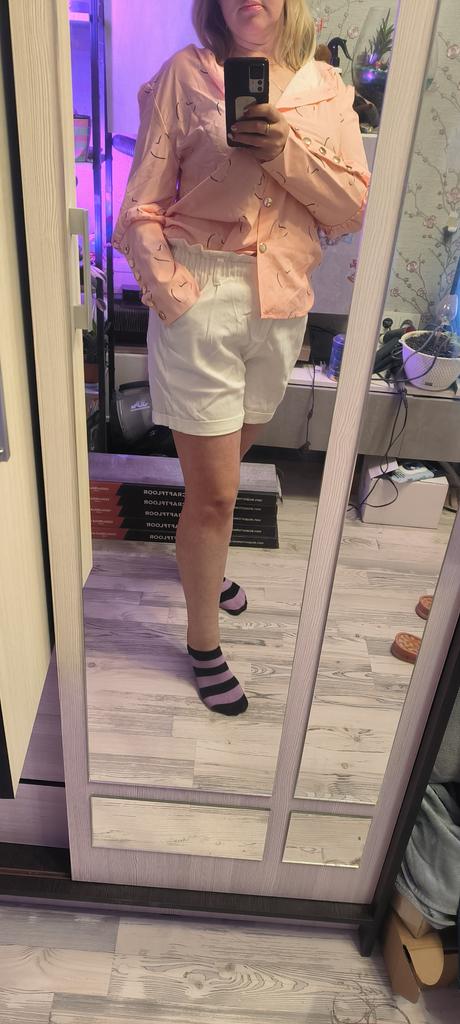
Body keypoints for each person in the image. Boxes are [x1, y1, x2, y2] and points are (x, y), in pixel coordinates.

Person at [113, 0, 371, 717]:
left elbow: (350, 210)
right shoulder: (186, 75)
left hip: (284, 301)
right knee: (219, 493)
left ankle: (202, 558)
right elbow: (139, 207)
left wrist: (284, 149)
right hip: (204, 290)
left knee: (218, 477)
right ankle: (203, 643)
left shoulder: (326, 89)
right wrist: (178, 296)